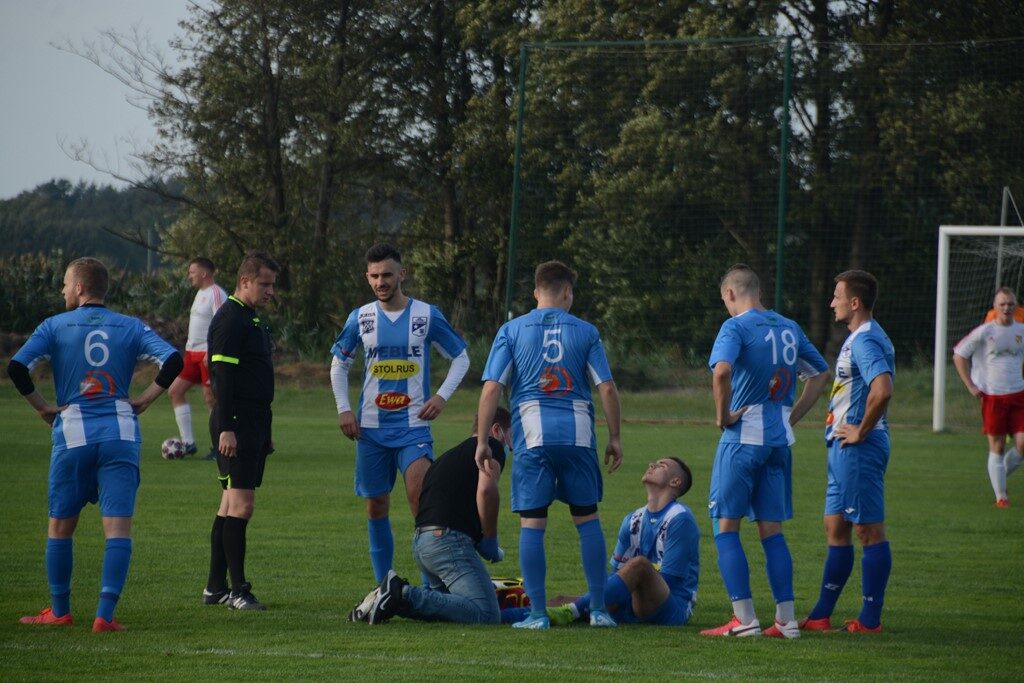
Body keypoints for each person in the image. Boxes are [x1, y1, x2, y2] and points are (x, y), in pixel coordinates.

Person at [8, 257, 182, 632]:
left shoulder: (54, 325)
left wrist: (42, 408)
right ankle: (105, 616)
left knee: (60, 527)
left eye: (65, 284)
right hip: (121, 432)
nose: (62, 291)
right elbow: (173, 360)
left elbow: (17, 368)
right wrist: (145, 399)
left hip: (73, 432)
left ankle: (60, 611)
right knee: (118, 529)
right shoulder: (130, 326)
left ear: (80, 288)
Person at [476, 260, 624, 630]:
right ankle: (600, 611)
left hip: (532, 437)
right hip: (578, 435)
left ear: (535, 293)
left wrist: (482, 440)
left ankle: (538, 614)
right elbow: (607, 388)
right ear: (568, 292)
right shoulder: (586, 331)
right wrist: (615, 437)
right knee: (587, 519)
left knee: (533, 522)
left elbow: (492, 389)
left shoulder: (512, 330)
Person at [700, 264, 829, 639]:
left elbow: (721, 372)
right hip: (778, 442)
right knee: (771, 531)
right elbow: (820, 373)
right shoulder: (789, 327)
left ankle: (743, 619)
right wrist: (791, 417)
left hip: (743, 438)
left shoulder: (735, 327)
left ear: (730, 294)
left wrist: (722, 416)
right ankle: (786, 621)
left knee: (726, 527)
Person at [330, 243, 470, 583]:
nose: (381, 282)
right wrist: (344, 409)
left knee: (421, 502)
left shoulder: (426, 315)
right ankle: (384, 584)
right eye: (375, 276)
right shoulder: (360, 318)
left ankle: (430, 587)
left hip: (413, 427)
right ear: (367, 277)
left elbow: (461, 358)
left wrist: (441, 396)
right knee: (376, 505)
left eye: (387, 275)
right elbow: (338, 364)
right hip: (371, 429)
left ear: (402, 274)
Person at [354, 408, 513, 625]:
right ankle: (402, 593)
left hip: (423, 545)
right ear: (496, 429)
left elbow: (451, 508)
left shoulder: (449, 456)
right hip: (447, 544)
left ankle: (385, 598)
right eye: (511, 435)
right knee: (486, 614)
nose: (511, 444)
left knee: (451, 610)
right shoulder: (490, 446)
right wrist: (490, 538)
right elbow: (486, 491)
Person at [801, 269, 895, 634]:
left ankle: (870, 620)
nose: (832, 303)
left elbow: (882, 389)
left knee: (868, 531)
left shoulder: (866, 340)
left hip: (859, 449)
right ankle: (821, 615)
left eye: (837, 297)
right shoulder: (860, 336)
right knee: (835, 526)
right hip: (842, 447)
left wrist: (861, 430)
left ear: (854, 303)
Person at [507, 457, 700, 627]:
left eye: (661, 465)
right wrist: (610, 598)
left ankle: (573, 611)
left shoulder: (680, 519)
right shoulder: (633, 519)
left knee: (640, 565)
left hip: (670, 608)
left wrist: (611, 597)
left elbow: (670, 581)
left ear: (675, 481)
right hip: (631, 602)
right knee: (561, 600)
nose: (652, 465)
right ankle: (498, 616)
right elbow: (617, 574)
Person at [201, 252, 279, 611]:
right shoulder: (230, 319)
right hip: (237, 422)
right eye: (264, 284)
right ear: (245, 281)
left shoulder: (250, 317)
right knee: (242, 506)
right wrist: (228, 428)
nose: (270, 291)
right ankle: (238, 591)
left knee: (229, 504)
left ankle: (215, 587)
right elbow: (223, 378)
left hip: (253, 421)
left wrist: (265, 429)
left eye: (272, 285)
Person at [953, 287, 1024, 507]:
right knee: (998, 446)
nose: (1006, 308)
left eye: (1010, 304)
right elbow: (959, 354)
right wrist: (970, 385)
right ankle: (1001, 496)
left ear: (1016, 306)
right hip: (993, 396)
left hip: (1019, 394)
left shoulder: (1021, 330)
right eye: (1002, 304)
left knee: (1022, 444)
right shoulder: (984, 331)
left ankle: (998, 473)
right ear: (995, 307)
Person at [168, 257, 227, 459]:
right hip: (191, 353)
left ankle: (220, 447)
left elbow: (222, 324)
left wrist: (213, 350)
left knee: (211, 399)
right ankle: (188, 443)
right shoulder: (200, 293)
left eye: (192, 272)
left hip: (206, 353)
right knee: (175, 391)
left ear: (204, 273)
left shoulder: (216, 293)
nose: (189, 276)